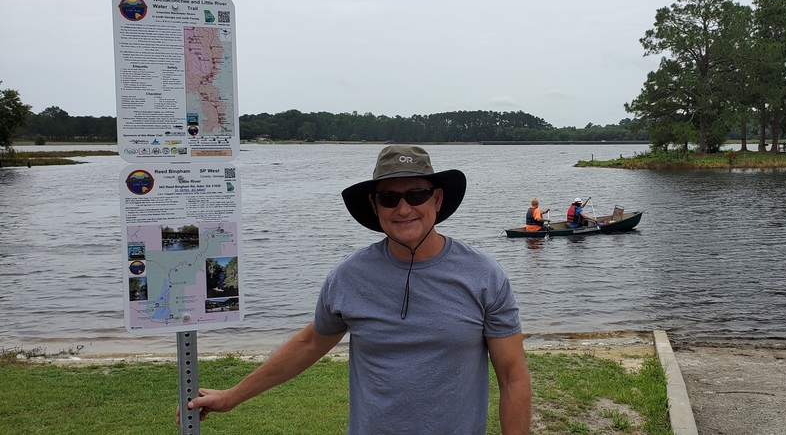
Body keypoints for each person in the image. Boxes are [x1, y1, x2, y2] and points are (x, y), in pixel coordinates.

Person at [178, 145, 531, 434]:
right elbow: (310, 342)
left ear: (436, 200)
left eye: (416, 194)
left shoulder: (484, 276)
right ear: (374, 207)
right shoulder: (348, 276)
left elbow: (513, 375)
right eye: (389, 199)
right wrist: (232, 396)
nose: (404, 208)